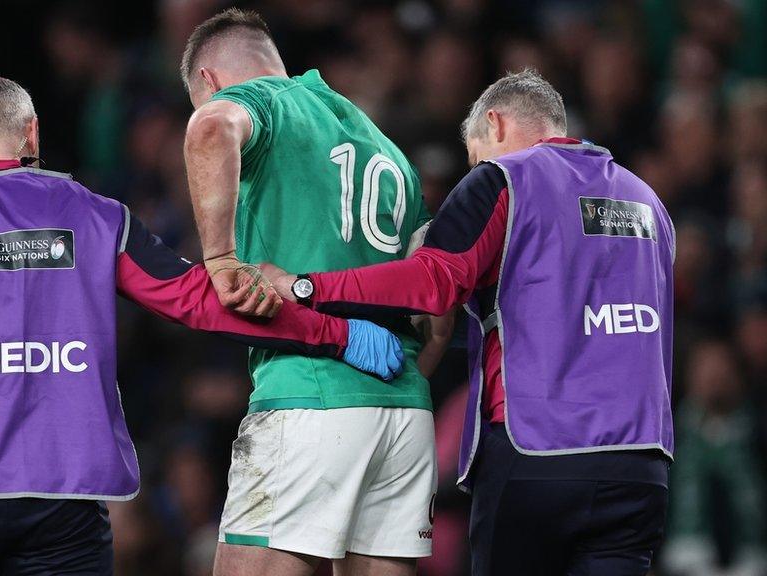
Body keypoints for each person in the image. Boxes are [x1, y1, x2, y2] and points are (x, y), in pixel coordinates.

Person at [0, 76, 405, 576]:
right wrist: (337, 334)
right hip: (66, 506)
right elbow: (199, 299)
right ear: (32, 133)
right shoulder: (95, 216)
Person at [267, 69, 675, 575]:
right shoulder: (648, 202)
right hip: (641, 465)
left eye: (474, 154)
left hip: (539, 452)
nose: (474, 168)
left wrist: (307, 286)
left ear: (495, 123)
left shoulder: (503, 179)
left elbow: (431, 282)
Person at [180, 9, 450, 576]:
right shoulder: (385, 146)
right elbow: (438, 302)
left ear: (209, 81)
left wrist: (222, 260)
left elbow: (211, 129)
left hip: (311, 393)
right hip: (403, 410)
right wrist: (406, 376)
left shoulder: (263, 103)